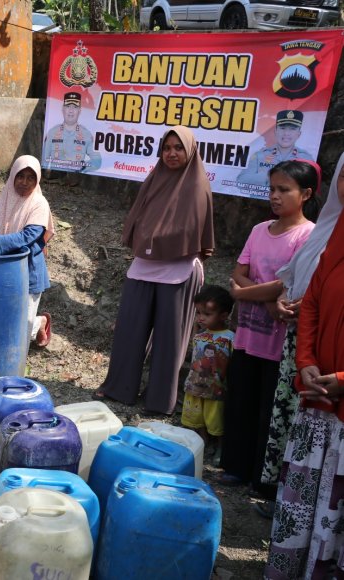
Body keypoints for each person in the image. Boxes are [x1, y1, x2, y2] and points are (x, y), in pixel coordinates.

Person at [93, 126, 214, 415]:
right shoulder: (154, 179)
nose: (172, 153)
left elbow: (191, 232)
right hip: (144, 267)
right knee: (129, 332)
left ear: (190, 151)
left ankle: (160, 400)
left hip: (179, 270)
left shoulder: (197, 185)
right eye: (167, 147)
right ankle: (119, 388)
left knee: (169, 341)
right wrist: (146, 241)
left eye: (178, 148)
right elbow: (138, 219)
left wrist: (158, 240)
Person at [219, 160, 317, 509]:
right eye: (272, 188)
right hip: (248, 335)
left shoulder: (309, 235)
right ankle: (235, 467)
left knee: (269, 411)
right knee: (241, 401)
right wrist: (264, 297)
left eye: (284, 190)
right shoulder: (260, 230)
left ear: (305, 194)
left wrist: (244, 294)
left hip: (279, 344)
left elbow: (287, 283)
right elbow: (239, 271)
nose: (275, 196)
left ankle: (264, 479)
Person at [264, 157, 344, 580]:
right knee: (305, 500)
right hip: (315, 394)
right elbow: (311, 301)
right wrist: (308, 363)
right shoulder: (334, 236)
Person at [0, 155, 54, 348]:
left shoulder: (39, 203)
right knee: (6, 321)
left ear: (37, 180)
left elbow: (28, 236)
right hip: (5, 269)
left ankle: (39, 323)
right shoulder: (5, 198)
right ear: (12, 177)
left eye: (31, 178)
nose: (24, 182)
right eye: (20, 176)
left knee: (21, 328)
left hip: (28, 271)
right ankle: (38, 323)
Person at [180, 285, 234, 461]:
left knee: (215, 420)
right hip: (195, 385)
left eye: (207, 314)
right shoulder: (200, 334)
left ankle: (220, 447)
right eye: (198, 313)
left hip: (215, 389)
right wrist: (196, 329)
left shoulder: (229, 337)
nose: (201, 318)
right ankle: (203, 442)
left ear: (224, 315)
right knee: (197, 417)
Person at [237, 110, 315, 190]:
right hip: (259, 202)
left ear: (299, 134)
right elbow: (241, 180)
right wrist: (272, 178)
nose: (286, 133)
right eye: (282, 128)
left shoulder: (306, 159)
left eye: (292, 129)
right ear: (276, 131)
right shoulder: (260, 155)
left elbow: (310, 185)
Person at [41, 91, 101, 173]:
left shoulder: (86, 134)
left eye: (75, 107)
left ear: (79, 110)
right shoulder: (52, 132)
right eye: (68, 106)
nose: (71, 110)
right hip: (54, 180)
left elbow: (97, 161)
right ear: (63, 109)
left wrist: (83, 167)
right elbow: (44, 161)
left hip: (76, 180)